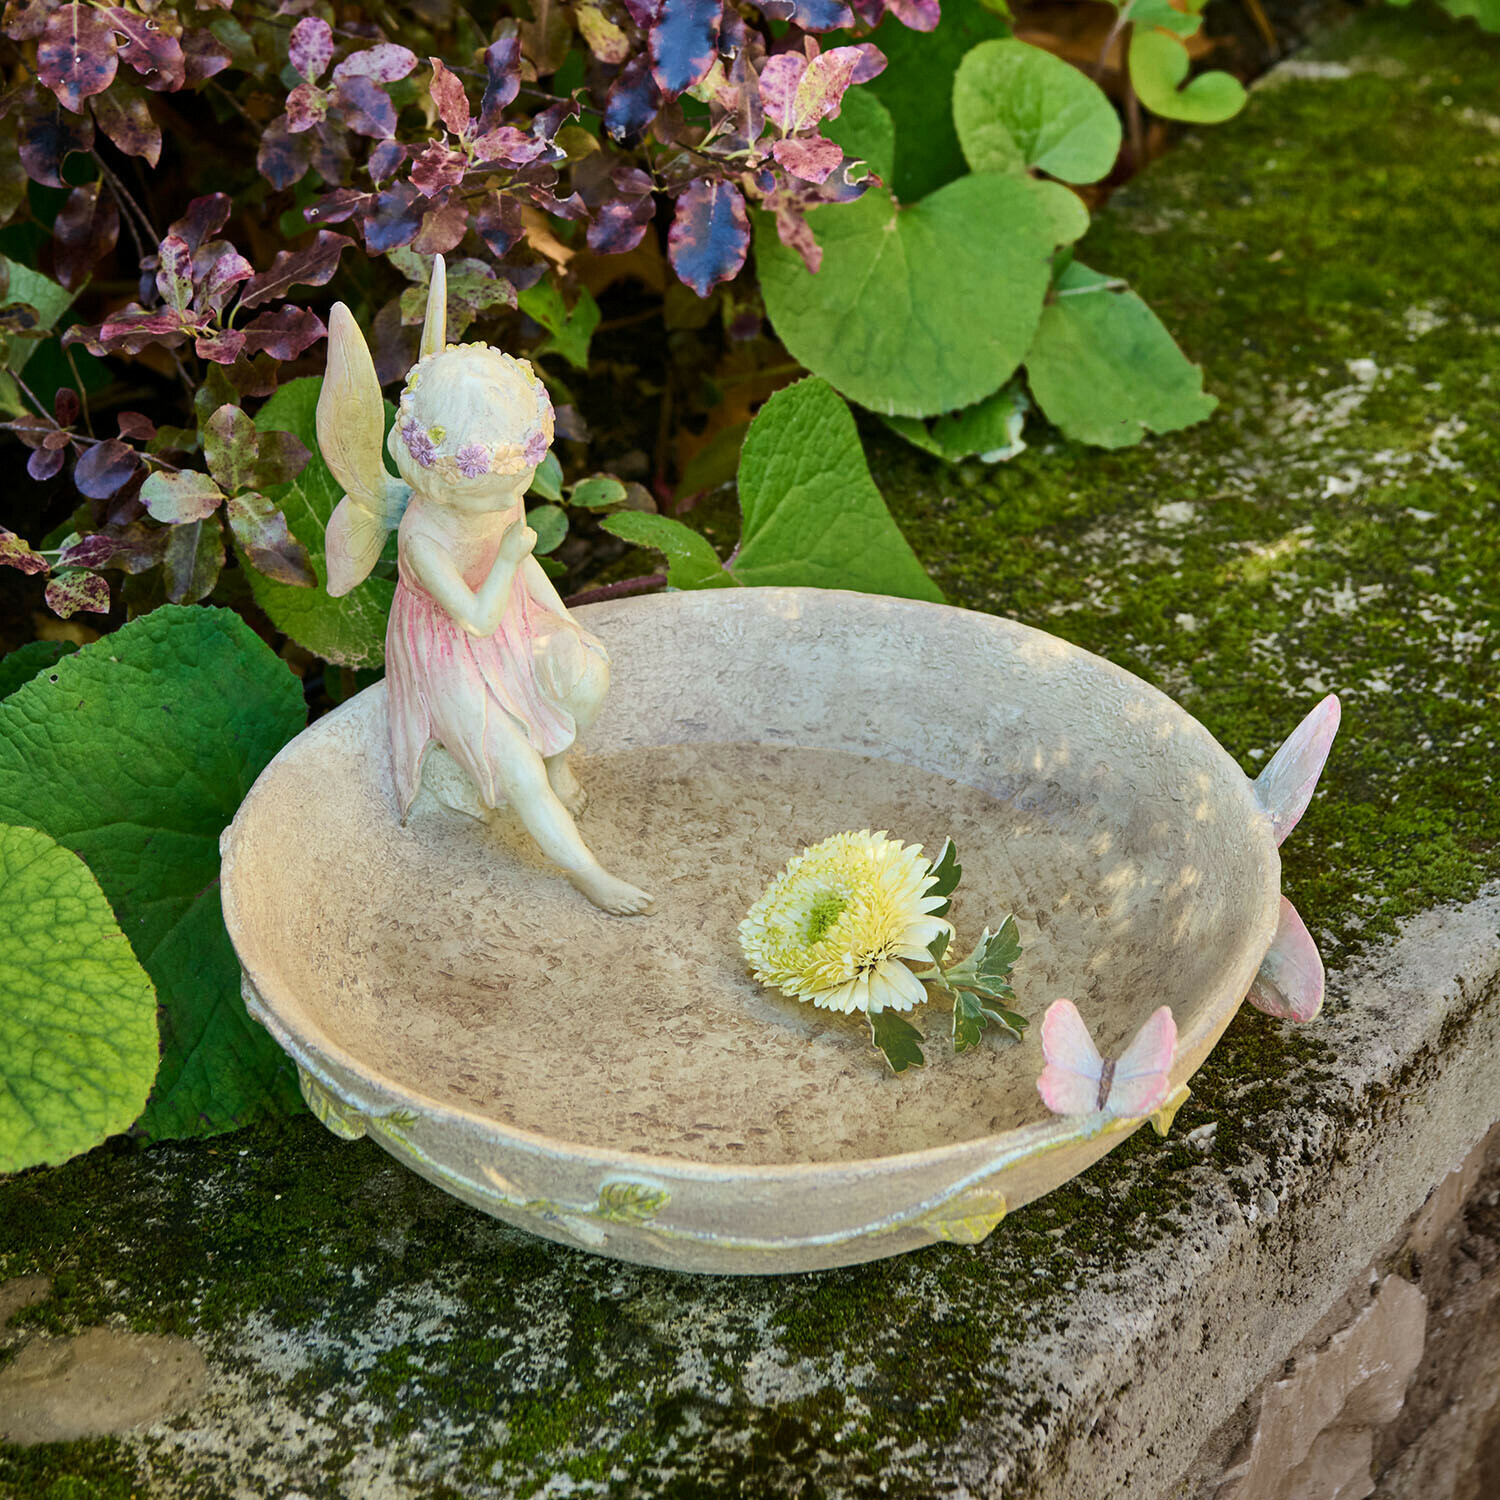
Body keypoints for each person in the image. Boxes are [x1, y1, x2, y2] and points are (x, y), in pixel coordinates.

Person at [318, 258, 652, 916]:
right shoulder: (422, 536)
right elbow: (472, 613)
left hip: (510, 614)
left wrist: (563, 624)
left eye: (518, 484)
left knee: (586, 672)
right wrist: (507, 560)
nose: (510, 499)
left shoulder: (499, 490)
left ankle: (560, 761)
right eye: (493, 488)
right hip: (450, 645)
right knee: (517, 769)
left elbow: (522, 561)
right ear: (437, 474)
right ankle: (586, 869)